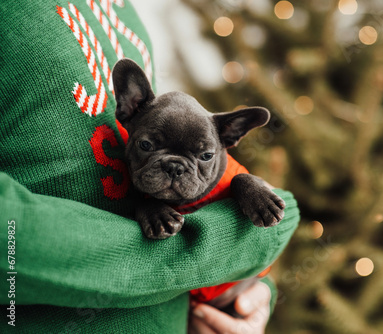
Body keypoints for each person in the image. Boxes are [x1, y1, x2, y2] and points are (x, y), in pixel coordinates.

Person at [0, 0, 300, 333]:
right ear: (129, 108)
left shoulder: (123, 8)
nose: (176, 170)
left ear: (231, 136)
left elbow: (260, 227)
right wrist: (248, 246)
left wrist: (256, 296)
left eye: (202, 157)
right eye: (148, 146)